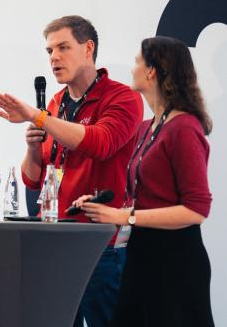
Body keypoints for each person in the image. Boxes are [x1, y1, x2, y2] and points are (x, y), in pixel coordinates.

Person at [0, 15, 143, 327]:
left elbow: (101, 143)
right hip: (57, 240)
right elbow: (33, 180)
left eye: (63, 47)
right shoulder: (56, 103)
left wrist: (39, 118)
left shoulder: (123, 97)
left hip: (102, 245)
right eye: (49, 51)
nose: (54, 57)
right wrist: (33, 146)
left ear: (88, 48)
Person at [74, 36, 214, 327]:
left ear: (152, 71)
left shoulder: (184, 128)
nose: (133, 68)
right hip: (141, 256)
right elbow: (145, 195)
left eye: (138, 61)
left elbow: (196, 209)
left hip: (175, 262)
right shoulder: (147, 128)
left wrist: (125, 216)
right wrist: (101, 207)